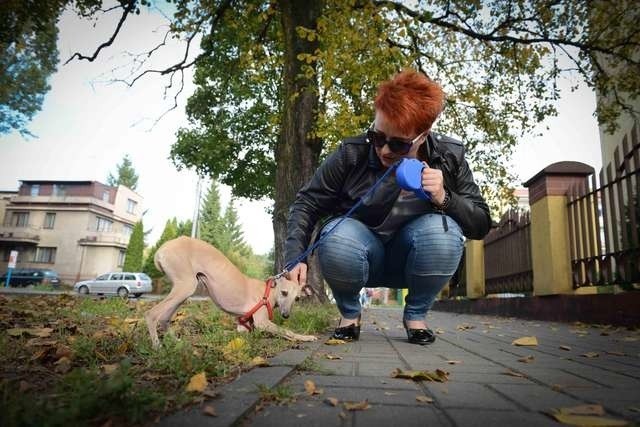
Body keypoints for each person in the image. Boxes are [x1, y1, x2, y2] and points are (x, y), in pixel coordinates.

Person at [284, 69, 491, 345]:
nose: (383, 150)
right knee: (336, 233)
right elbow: (308, 201)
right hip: (361, 255)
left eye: (398, 144)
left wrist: (444, 196)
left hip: (412, 259)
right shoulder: (351, 153)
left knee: (444, 232)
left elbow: (481, 224)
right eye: (378, 137)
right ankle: (349, 315)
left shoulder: (449, 156)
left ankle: (416, 316)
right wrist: (296, 256)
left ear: (423, 135)